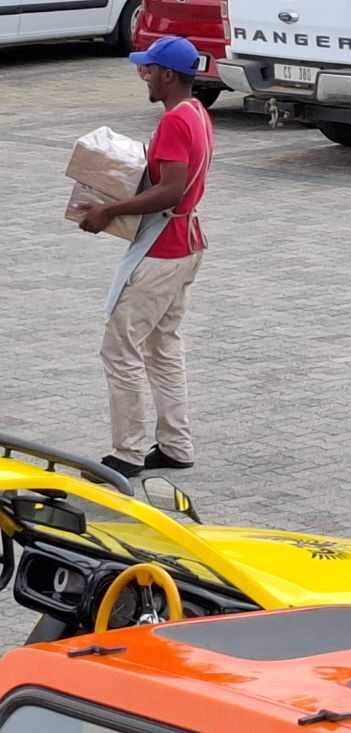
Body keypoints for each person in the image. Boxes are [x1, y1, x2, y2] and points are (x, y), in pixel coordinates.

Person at [78, 36, 214, 478]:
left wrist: (108, 210)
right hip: (187, 244)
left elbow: (170, 188)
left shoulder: (175, 121)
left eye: (149, 69)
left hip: (163, 250)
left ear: (169, 74)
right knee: (162, 345)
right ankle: (175, 443)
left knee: (120, 349)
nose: (144, 75)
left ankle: (127, 453)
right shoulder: (196, 112)